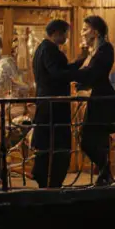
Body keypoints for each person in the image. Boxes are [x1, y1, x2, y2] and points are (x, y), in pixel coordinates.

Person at [73, 15, 115, 186]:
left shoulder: (105, 49)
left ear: (95, 30)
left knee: (91, 139)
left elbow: (94, 72)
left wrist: (75, 78)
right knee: (90, 139)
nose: (82, 32)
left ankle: (105, 173)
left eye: (85, 29)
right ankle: (105, 174)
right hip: (96, 97)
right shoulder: (92, 51)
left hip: (103, 98)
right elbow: (85, 71)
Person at [31, 19, 79, 188]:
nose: (67, 37)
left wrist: (77, 64)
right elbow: (58, 74)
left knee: (46, 143)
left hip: (46, 104)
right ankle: (51, 182)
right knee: (59, 145)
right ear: (57, 33)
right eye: (66, 33)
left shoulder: (42, 49)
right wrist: (78, 71)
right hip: (54, 105)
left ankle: (44, 179)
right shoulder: (50, 50)